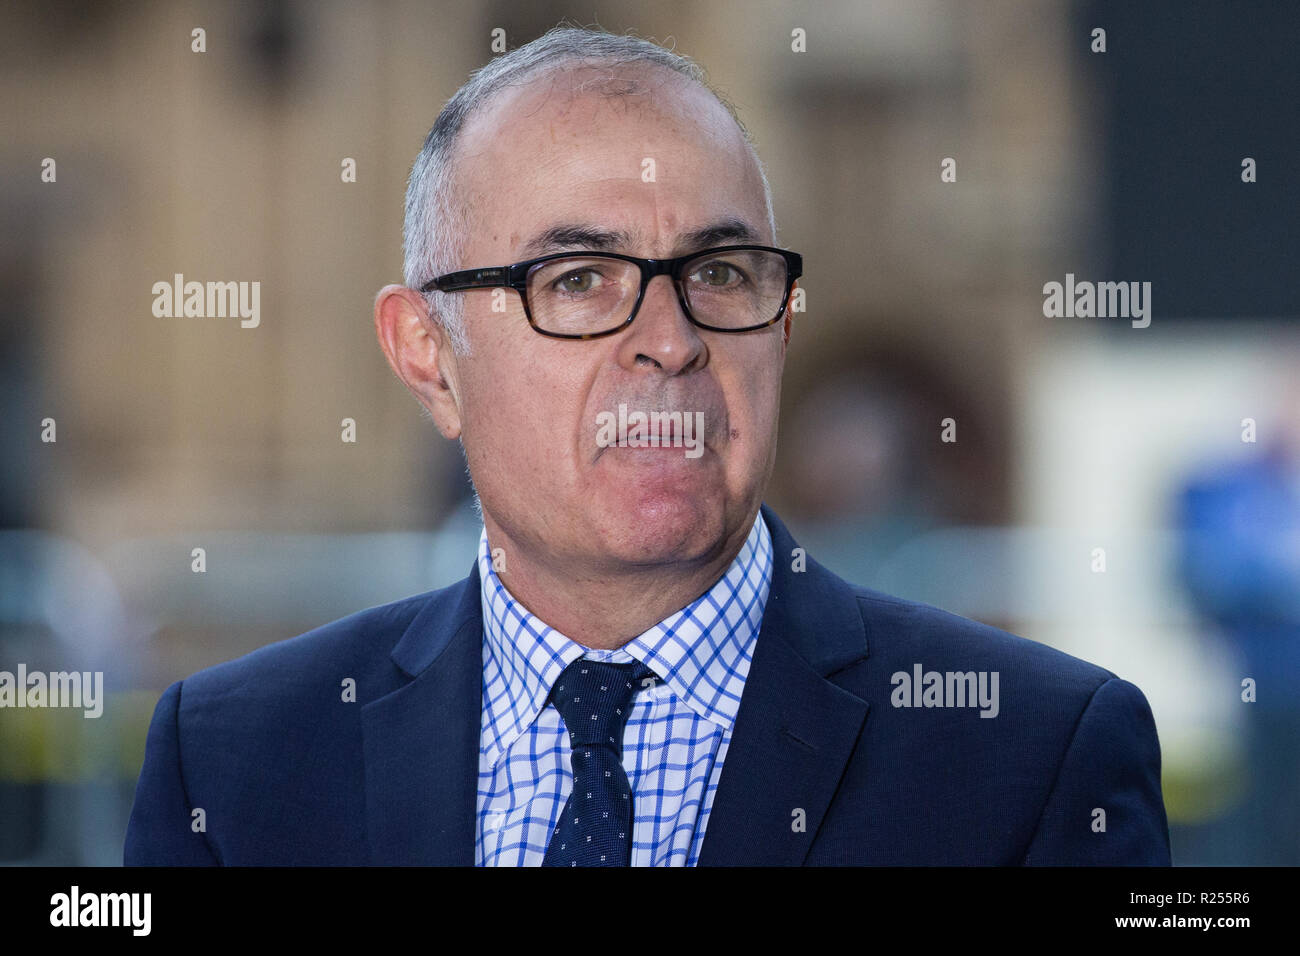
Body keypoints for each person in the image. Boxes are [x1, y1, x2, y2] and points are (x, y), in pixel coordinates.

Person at [124, 25, 1171, 866]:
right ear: (428, 355)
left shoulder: (1035, 757)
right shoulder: (228, 761)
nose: (669, 341)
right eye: (577, 280)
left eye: (719, 275)